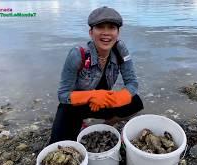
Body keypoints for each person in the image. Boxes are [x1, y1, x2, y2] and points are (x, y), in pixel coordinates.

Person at [50, 6, 144, 144]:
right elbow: (63, 95)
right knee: (59, 144)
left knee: (135, 102)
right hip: (76, 106)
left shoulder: (120, 50)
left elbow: (132, 83)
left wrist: (118, 97)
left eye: (111, 27)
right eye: (100, 27)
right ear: (91, 32)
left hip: (103, 101)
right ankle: (79, 123)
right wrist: (91, 95)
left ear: (118, 32)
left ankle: (107, 125)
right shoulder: (78, 54)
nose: (106, 33)